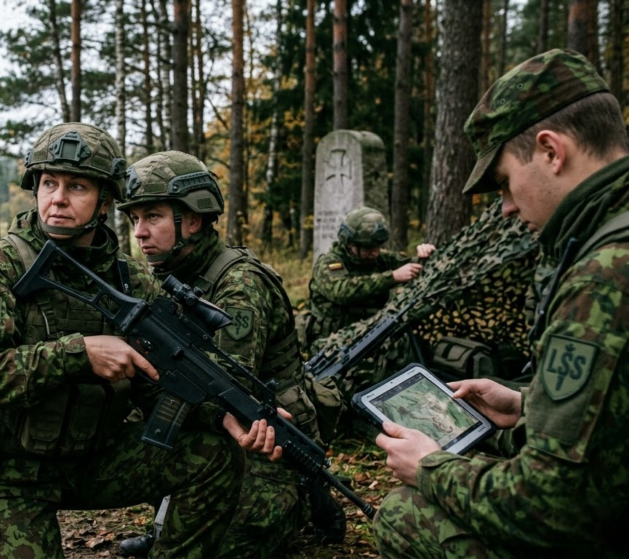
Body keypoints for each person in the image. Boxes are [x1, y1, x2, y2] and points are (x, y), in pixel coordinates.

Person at [0, 123, 245, 559]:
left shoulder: (129, 278)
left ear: (105, 201)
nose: (57, 198)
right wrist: (80, 354)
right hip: (6, 467)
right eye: (49, 183)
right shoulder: (1, 266)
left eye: (76, 186)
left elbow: (159, 378)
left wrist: (224, 413)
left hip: (92, 455)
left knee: (214, 454)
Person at [372, 49, 629, 557]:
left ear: (551, 151)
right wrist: (528, 404)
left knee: (403, 516)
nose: (507, 207)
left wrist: (430, 466)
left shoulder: (604, 275)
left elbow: (551, 506)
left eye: (505, 182)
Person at [115, 151, 344, 557]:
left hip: (270, 446)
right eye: (135, 219)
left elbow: (221, 388)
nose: (139, 233)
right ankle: (173, 524)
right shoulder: (170, 277)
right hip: (222, 433)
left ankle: (311, 499)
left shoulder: (239, 286)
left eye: (152, 217)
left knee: (228, 546)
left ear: (194, 219)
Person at [303, 207, 436, 346]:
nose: (375, 253)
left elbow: (412, 265)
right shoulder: (329, 264)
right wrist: (392, 278)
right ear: (350, 244)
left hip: (369, 338)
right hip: (331, 344)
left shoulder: (378, 259)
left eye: (377, 247)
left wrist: (425, 255)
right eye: (369, 249)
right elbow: (341, 292)